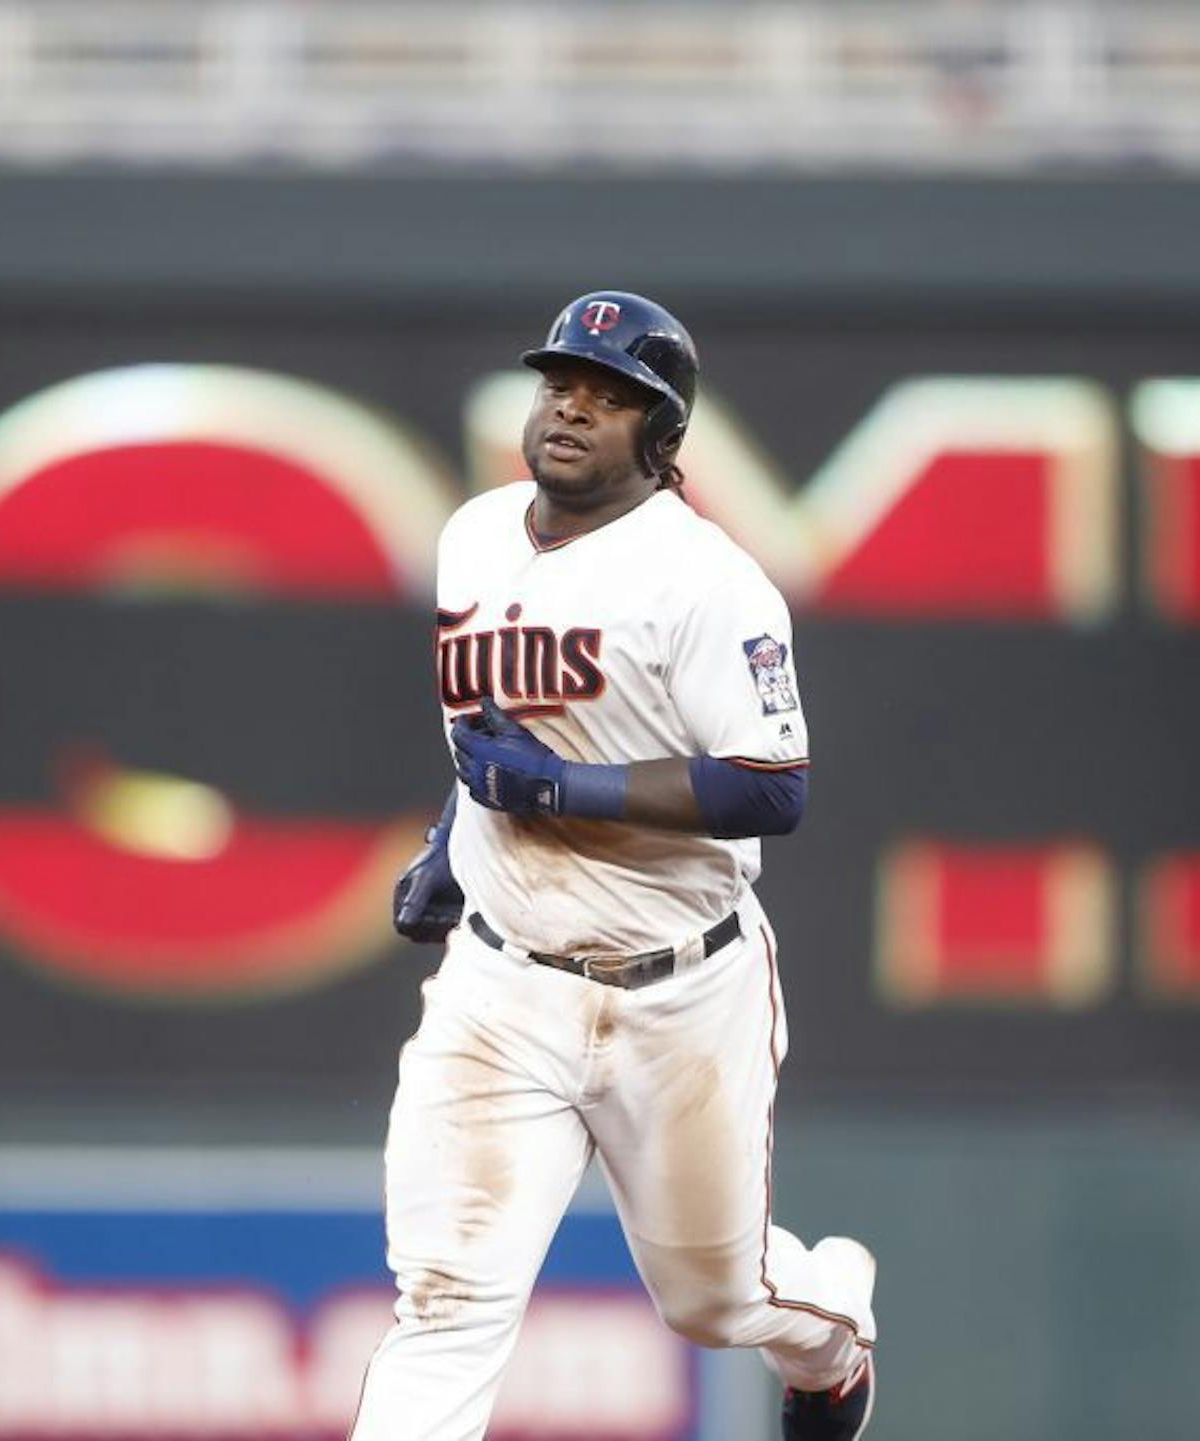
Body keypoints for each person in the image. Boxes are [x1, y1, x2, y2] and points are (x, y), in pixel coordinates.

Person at [352, 291, 876, 1440]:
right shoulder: (474, 535)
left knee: (714, 1300)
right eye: (562, 385)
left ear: (664, 437)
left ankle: (833, 1335)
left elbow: (772, 786)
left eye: (612, 396)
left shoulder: (708, 581)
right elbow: (494, 728)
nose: (573, 410)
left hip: (678, 987)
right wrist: (457, 839)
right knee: (446, 1302)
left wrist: (558, 792)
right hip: (504, 988)